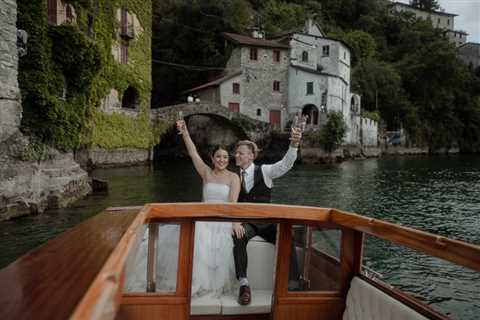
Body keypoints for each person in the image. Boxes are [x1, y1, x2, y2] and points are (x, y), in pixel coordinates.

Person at [232, 127, 302, 305]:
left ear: (251, 156)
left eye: (241, 153)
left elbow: (286, 164)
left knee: (287, 235)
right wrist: (236, 222)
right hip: (248, 223)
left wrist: (294, 144)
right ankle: (244, 285)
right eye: (236, 153)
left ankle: (293, 284)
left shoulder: (266, 171)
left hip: (268, 223)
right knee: (238, 236)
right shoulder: (233, 178)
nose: (237, 156)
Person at [176, 119, 241, 297]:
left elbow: (233, 203)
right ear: (212, 158)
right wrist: (185, 132)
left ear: (229, 159)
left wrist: (235, 223)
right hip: (204, 219)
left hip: (224, 221)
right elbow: (193, 153)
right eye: (218, 156)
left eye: (225, 157)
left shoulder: (233, 178)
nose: (222, 160)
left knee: (222, 247)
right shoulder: (205, 172)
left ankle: (215, 287)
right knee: (199, 239)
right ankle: (198, 285)